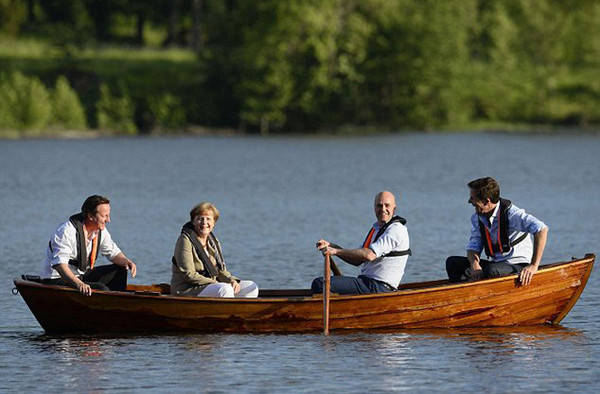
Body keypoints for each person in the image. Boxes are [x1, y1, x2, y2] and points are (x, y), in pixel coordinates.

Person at [446, 177, 549, 286]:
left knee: (491, 271)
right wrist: (475, 264)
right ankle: (465, 295)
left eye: (473, 198)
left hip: (518, 265)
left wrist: (533, 265)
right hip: (497, 265)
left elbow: (541, 229)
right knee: (452, 263)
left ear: (486, 201)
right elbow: (473, 248)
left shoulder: (512, 215)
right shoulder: (477, 218)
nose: (469, 201)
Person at [311, 191, 411, 295]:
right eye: (379, 206)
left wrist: (336, 251)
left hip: (379, 287)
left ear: (394, 208)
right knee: (321, 285)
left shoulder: (396, 230)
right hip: (366, 283)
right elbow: (357, 261)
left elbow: (369, 255)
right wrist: (332, 246)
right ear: (374, 208)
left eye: (387, 205)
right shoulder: (376, 229)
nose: (383, 209)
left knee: (319, 284)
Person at [41, 195, 137, 296]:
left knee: (121, 269)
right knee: (101, 289)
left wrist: (127, 261)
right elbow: (60, 266)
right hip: (56, 278)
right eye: (104, 216)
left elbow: (113, 253)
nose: (108, 220)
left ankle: (119, 305)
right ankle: (106, 307)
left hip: (81, 276)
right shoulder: (66, 231)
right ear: (90, 216)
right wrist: (79, 284)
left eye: (108, 215)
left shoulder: (100, 231)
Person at [170, 202, 259, 298]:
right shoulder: (185, 240)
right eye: (200, 219)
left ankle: (241, 312)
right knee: (225, 289)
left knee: (251, 287)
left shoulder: (213, 242)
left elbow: (220, 271)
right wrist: (215, 283)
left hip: (211, 285)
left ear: (213, 223)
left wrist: (231, 280)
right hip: (187, 289)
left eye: (208, 219)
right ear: (193, 222)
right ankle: (225, 313)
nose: (204, 222)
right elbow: (189, 275)